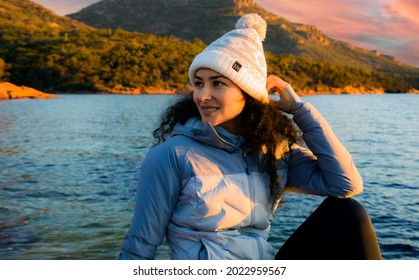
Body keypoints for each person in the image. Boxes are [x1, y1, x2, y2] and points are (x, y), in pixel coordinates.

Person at [116, 13, 381, 260]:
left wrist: (299, 109)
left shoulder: (274, 152)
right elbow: (139, 247)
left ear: (249, 92)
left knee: (347, 213)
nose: (202, 95)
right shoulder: (173, 155)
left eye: (217, 83)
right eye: (199, 83)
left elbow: (345, 185)